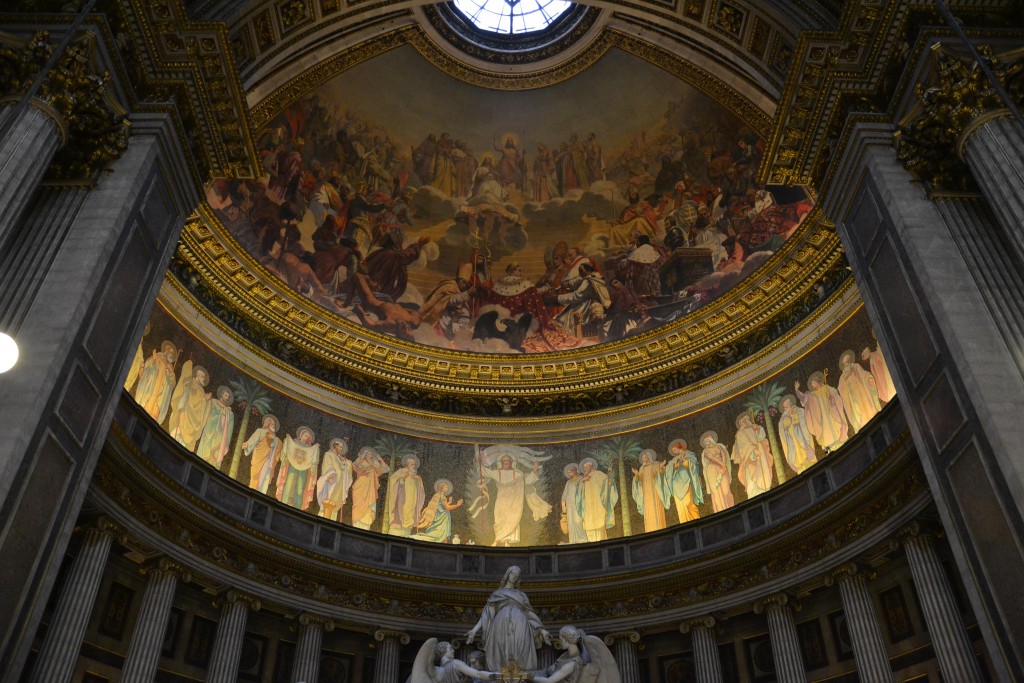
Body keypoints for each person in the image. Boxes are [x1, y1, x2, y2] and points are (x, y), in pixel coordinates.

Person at [465, 565, 550, 672]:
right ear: (507, 574)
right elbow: (486, 615)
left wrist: (543, 630)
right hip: (500, 625)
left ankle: (520, 675)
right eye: (512, 573)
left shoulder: (522, 595)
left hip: (520, 624)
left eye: (517, 575)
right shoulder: (497, 594)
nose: (514, 576)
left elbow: (529, 613)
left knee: (521, 651)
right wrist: (474, 630)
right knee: (501, 653)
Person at [477, 447, 552, 546]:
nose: (506, 462)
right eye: (504, 461)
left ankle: (507, 541)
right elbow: (485, 472)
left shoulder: (517, 474)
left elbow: (527, 481)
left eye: (508, 460)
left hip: (514, 501)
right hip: (501, 500)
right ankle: (497, 539)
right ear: (501, 462)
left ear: (512, 462)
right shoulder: (497, 473)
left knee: (513, 518)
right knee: (499, 518)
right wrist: (479, 462)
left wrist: (535, 471)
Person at [795, 371, 849, 452]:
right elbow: (803, 398)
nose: (812, 385)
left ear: (817, 382)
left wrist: (831, 398)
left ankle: (843, 441)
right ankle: (827, 450)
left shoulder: (827, 388)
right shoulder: (812, 395)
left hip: (832, 412)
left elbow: (836, 395)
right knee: (824, 431)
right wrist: (796, 390)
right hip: (821, 417)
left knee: (836, 425)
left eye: (813, 382)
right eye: (812, 383)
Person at [167, 361, 212, 451]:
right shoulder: (190, 382)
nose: (203, 379)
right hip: (185, 413)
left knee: (184, 445)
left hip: (194, 421)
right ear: (197, 375)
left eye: (204, 377)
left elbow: (200, 405)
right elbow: (187, 394)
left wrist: (206, 401)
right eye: (202, 376)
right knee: (177, 436)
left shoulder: (202, 391)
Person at [409, 640, 498, 683]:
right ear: (444, 650)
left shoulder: (435, 672)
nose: (453, 650)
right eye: (450, 648)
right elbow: (478, 674)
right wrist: (500, 676)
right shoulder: (455, 664)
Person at [276, 426, 321, 510]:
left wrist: (315, 448)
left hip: (303, 471)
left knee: (300, 488)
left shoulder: (310, 448)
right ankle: (283, 504)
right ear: (301, 434)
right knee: (288, 484)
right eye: (305, 435)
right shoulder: (294, 442)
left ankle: (297, 507)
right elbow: (288, 450)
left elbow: (313, 460)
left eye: (308, 436)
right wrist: (288, 440)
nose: (306, 437)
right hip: (291, 468)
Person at [732, 410, 773, 498]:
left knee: (764, 475)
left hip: (761, 457)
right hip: (749, 459)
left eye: (747, 419)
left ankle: (766, 492)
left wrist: (758, 429)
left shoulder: (755, 429)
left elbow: (762, 437)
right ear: (740, 424)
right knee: (752, 480)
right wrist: (753, 450)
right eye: (743, 421)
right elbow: (744, 445)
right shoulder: (740, 433)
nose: (746, 422)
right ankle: (754, 497)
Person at [134, 340, 178, 423]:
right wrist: (153, 361)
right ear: (166, 350)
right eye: (170, 351)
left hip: (160, 395)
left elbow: (172, 384)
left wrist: (170, 373)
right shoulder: (156, 357)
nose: (170, 354)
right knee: (145, 409)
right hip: (151, 390)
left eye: (172, 353)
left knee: (154, 414)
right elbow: (146, 372)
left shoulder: (170, 367)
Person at [837, 350, 881, 432]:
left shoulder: (856, 366)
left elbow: (864, 375)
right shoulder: (842, 376)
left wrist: (869, 378)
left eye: (848, 361)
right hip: (853, 397)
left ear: (850, 360)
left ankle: (872, 416)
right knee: (857, 411)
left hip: (862, 391)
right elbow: (841, 389)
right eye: (845, 363)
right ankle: (862, 424)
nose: (847, 364)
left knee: (867, 404)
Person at [578, 458, 617, 542]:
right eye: (584, 468)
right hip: (588, 505)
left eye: (586, 467)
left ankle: (602, 542)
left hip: (598, 503)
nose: (585, 469)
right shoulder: (583, 478)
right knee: (589, 524)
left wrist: (610, 475)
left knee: (600, 524)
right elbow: (579, 493)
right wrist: (582, 481)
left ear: (591, 466)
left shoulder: (599, 474)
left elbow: (607, 482)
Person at [664, 439, 703, 523]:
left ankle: (696, 521)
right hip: (676, 484)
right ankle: (684, 523)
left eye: (675, 450)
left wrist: (686, 461)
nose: (675, 452)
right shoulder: (675, 459)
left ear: (679, 447)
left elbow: (694, 465)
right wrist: (674, 467)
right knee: (680, 506)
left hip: (686, 481)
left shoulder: (689, 454)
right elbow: (669, 468)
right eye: (673, 451)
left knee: (688, 502)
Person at [196, 386, 235, 468]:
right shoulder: (213, 401)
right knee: (206, 445)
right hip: (209, 428)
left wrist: (227, 413)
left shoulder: (227, 410)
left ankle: (212, 464)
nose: (227, 398)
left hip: (220, 432)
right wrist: (205, 400)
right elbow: (206, 410)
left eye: (228, 396)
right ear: (221, 394)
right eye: (226, 395)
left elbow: (228, 423)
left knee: (216, 448)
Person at [242, 414, 282, 494]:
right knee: (257, 479)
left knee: (266, 479)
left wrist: (275, 440)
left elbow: (279, 448)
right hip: (259, 459)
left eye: (274, 424)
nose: (273, 426)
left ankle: (261, 494)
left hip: (269, 461)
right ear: (267, 423)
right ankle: (254, 492)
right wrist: (247, 445)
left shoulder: (276, 438)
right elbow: (252, 440)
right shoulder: (260, 431)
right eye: (272, 423)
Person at [387, 454, 426, 536]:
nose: (413, 466)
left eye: (414, 465)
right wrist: (403, 478)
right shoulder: (402, 471)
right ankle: (399, 525)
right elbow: (392, 480)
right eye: (412, 464)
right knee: (402, 509)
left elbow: (420, 490)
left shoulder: (415, 475)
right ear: (407, 464)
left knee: (410, 511)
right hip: (402, 496)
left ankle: (407, 527)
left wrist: (419, 480)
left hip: (412, 498)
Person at [351, 447, 389, 529]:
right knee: (358, 505)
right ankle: (356, 523)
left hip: (371, 489)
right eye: (368, 454)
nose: (370, 455)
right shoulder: (362, 462)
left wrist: (380, 460)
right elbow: (355, 466)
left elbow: (386, 469)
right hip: (360, 486)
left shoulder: (375, 465)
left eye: (371, 454)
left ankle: (366, 524)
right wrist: (360, 459)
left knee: (369, 505)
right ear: (365, 455)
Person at [777, 394, 817, 474]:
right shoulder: (784, 416)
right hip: (791, 437)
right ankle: (800, 463)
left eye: (788, 403)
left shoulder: (798, 410)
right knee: (795, 449)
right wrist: (788, 417)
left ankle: (807, 459)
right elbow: (782, 426)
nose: (787, 406)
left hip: (800, 432)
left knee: (803, 444)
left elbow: (803, 417)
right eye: (785, 406)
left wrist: (795, 416)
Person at [316, 437, 353, 522]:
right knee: (327, 502)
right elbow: (327, 465)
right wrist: (331, 474)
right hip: (331, 483)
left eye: (342, 448)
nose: (341, 449)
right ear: (336, 446)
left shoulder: (340, 458)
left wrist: (346, 462)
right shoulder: (329, 454)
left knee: (335, 505)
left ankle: (332, 520)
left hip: (339, 485)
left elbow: (346, 467)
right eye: (340, 447)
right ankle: (323, 518)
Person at [631, 449, 669, 533]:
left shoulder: (656, 464)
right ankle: (650, 531)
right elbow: (638, 481)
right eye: (643, 458)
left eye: (645, 457)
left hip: (655, 492)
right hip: (646, 494)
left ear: (649, 457)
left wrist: (661, 468)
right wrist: (636, 474)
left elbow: (662, 475)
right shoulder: (642, 468)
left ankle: (661, 530)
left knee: (657, 510)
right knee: (648, 512)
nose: (644, 459)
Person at [700, 431, 734, 513]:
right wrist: (722, 464)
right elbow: (711, 458)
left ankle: (731, 508)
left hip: (722, 469)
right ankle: (720, 510)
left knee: (726, 490)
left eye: (707, 441)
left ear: (711, 440)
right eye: (705, 442)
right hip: (712, 470)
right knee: (716, 492)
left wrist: (724, 465)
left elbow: (724, 455)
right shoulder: (706, 451)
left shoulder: (719, 447)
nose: (706, 443)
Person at [560, 463, 587, 544]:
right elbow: (565, 493)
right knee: (571, 521)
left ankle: (582, 538)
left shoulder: (581, 478)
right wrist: (563, 504)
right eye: (568, 472)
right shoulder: (568, 482)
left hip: (578, 503)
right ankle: (573, 540)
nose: (569, 473)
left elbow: (584, 489)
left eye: (570, 471)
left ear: (575, 471)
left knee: (578, 520)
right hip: (569, 504)